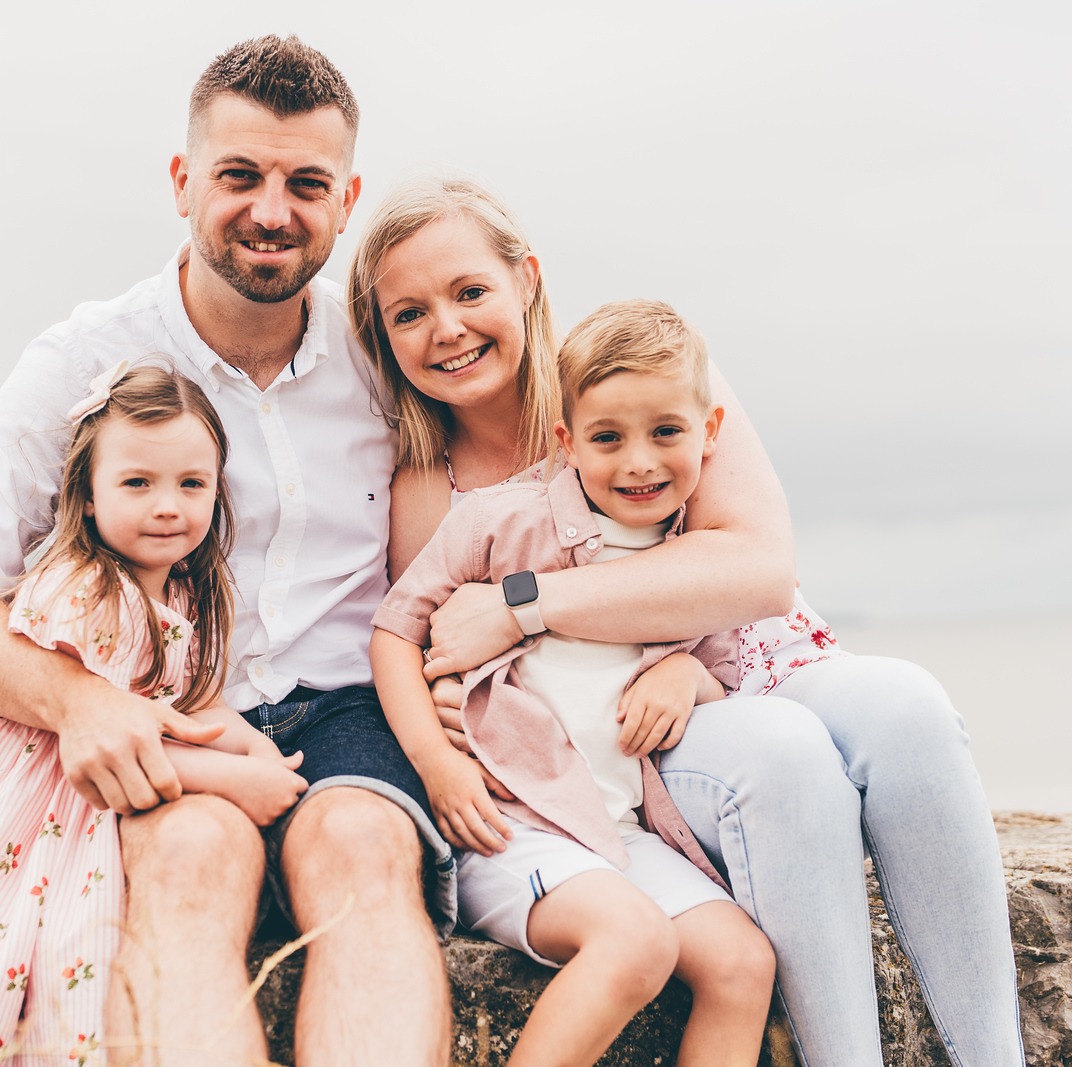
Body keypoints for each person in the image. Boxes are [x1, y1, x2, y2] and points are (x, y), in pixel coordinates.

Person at [0, 37, 452, 1067]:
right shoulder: (88, 359)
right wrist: (84, 702)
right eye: (240, 175)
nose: (272, 210)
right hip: (167, 712)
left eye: (305, 184)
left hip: (355, 708)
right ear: (183, 182)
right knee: (188, 860)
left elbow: (555, 453)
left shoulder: (390, 352)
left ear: (346, 197)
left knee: (362, 849)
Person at [348, 175, 1024, 1066]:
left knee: (911, 705)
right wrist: (447, 728)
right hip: (639, 737)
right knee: (784, 755)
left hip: (741, 657)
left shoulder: (636, 374)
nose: (450, 327)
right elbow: (438, 652)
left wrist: (525, 606)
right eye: (410, 313)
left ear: (528, 281)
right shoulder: (434, 487)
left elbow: (758, 573)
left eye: (472, 292)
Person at [0, 366, 310, 1064]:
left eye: (191, 484)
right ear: (86, 495)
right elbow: (117, 742)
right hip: (25, 797)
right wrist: (236, 781)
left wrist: (248, 746)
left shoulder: (182, 592)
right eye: (137, 483)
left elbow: (181, 706)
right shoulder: (88, 593)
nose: (167, 505)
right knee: (53, 945)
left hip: (72, 795)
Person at [371, 301, 776, 1067]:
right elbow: (395, 631)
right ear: (568, 442)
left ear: (710, 432)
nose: (639, 462)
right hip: (506, 822)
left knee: (742, 964)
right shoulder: (502, 521)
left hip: (614, 830)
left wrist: (686, 674)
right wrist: (435, 759)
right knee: (635, 941)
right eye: (607, 438)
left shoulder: (694, 560)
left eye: (666, 432)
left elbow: (726, 675)